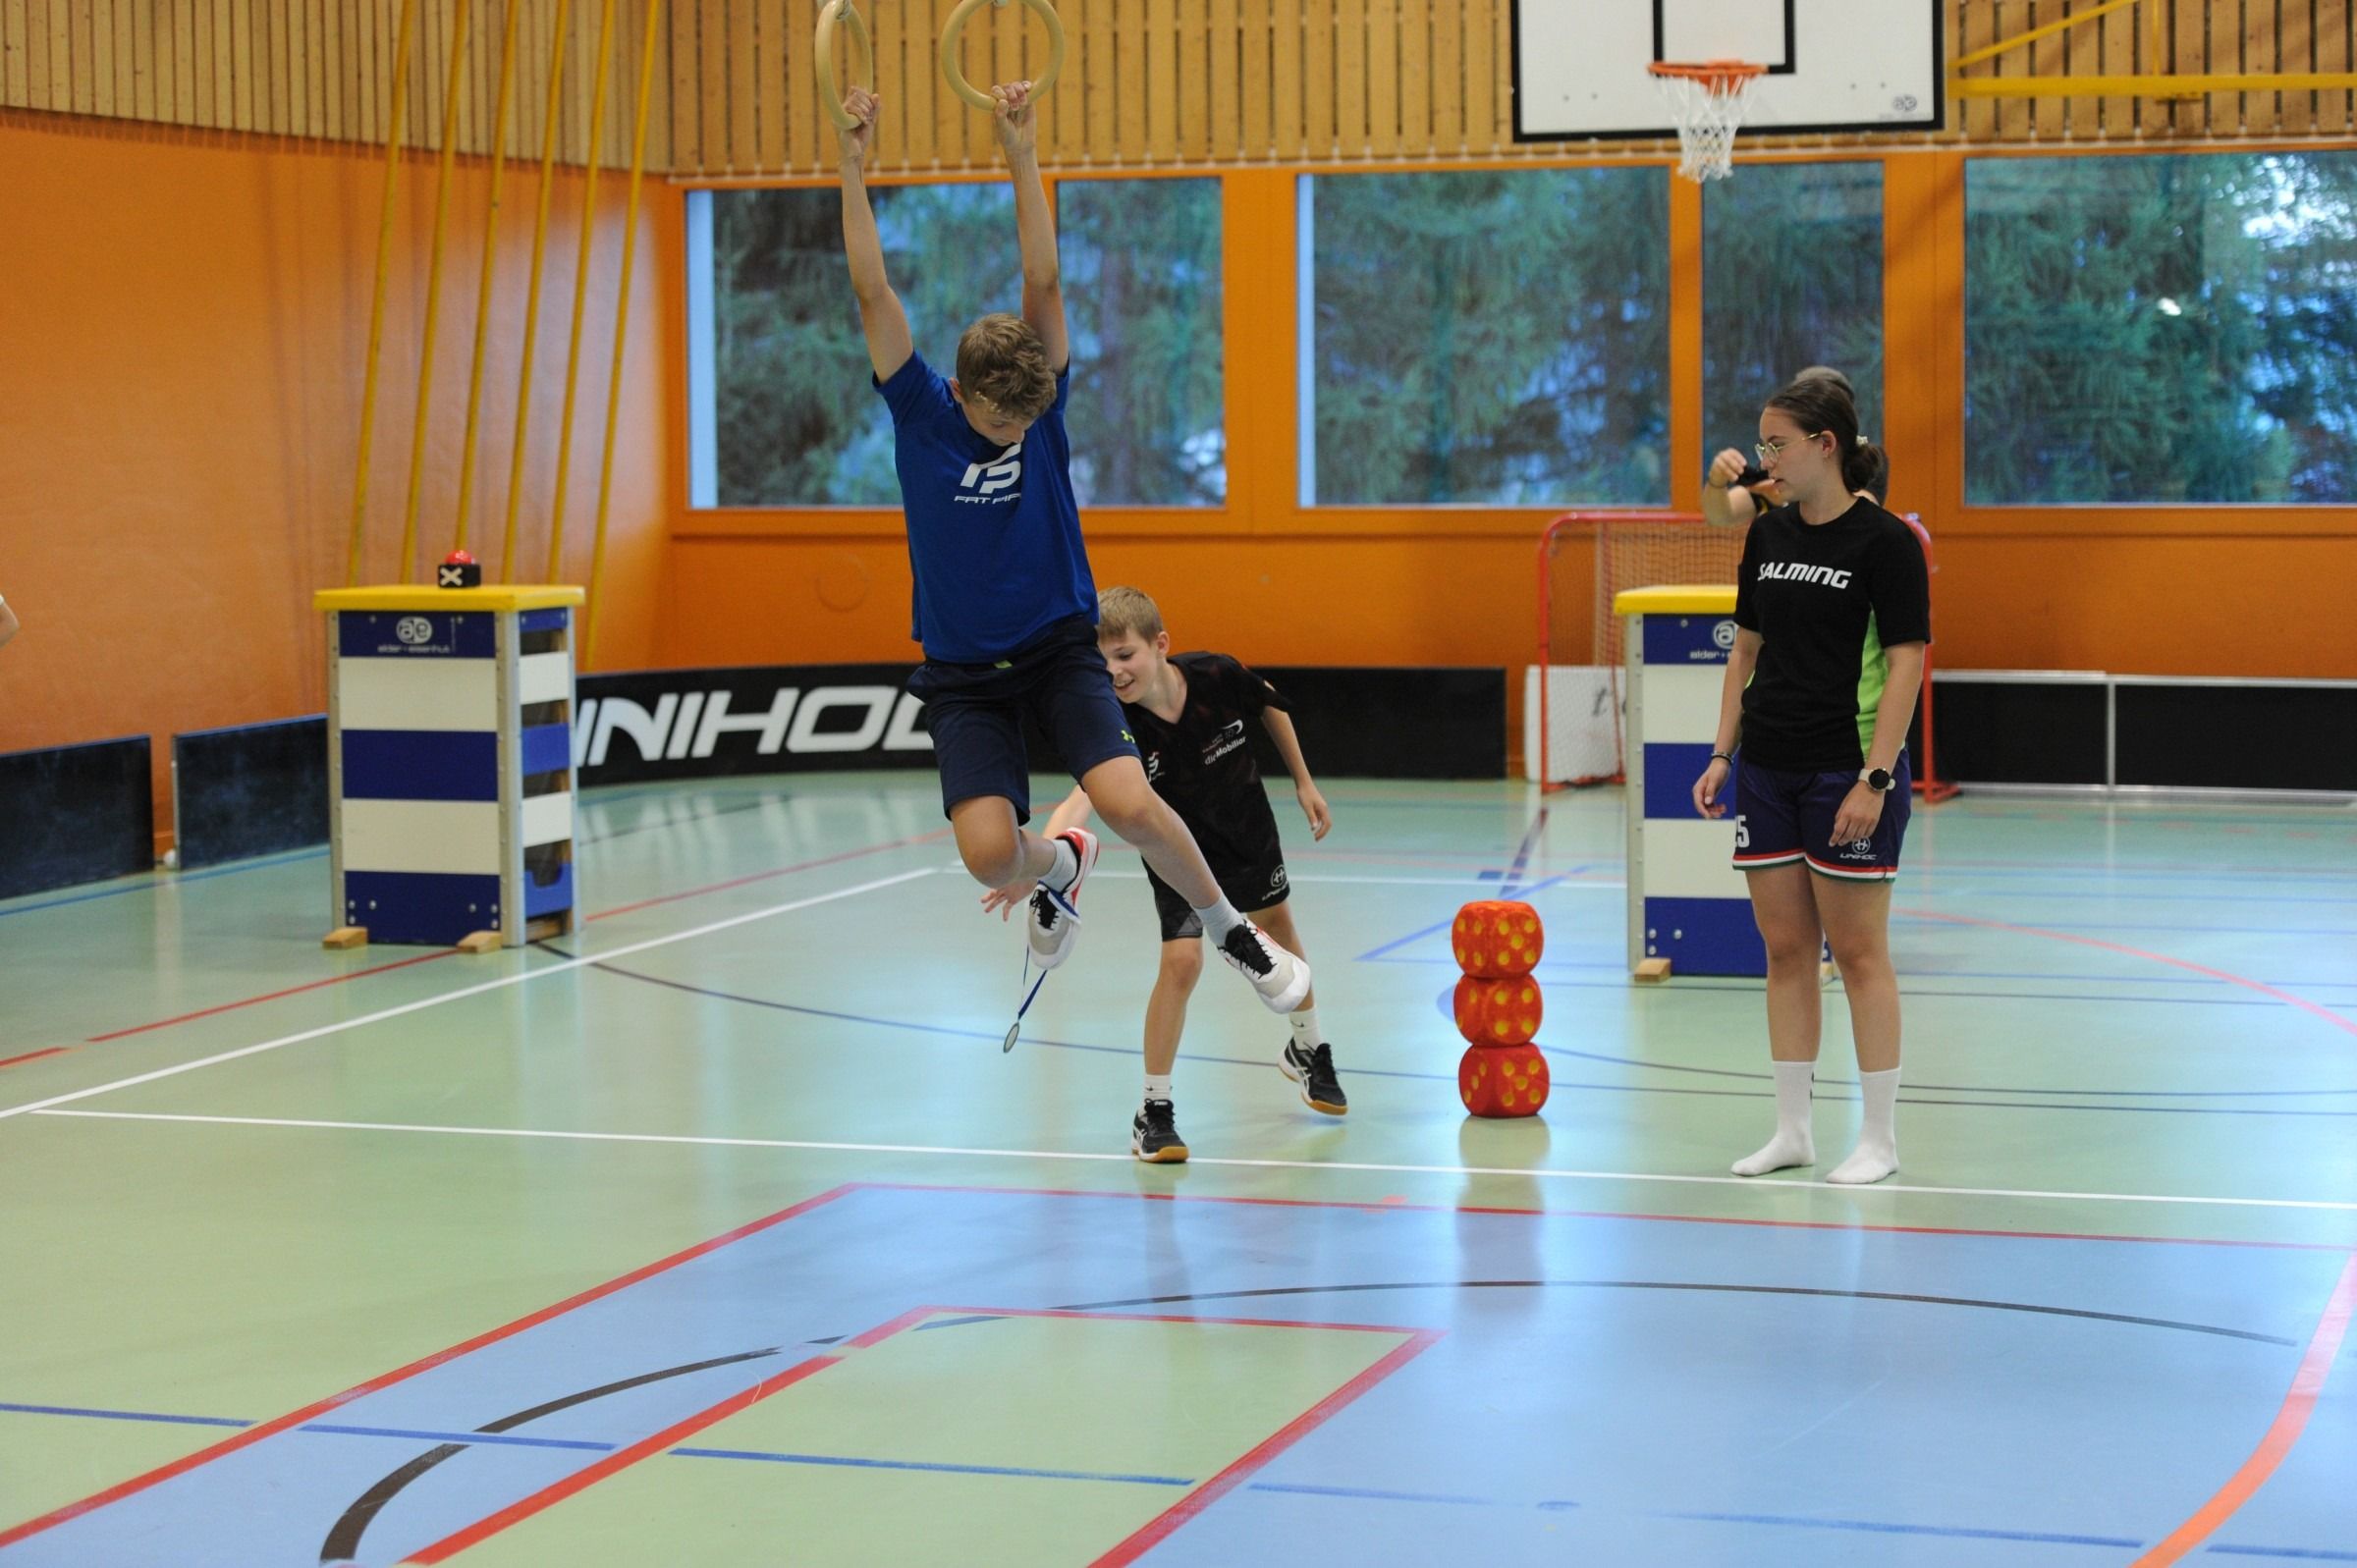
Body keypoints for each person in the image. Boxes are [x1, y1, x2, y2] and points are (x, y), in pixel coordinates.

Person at [835, 82, 1309, 1014]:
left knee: (1131, 802)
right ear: (963, 395)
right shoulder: (919, 412)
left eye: (1028, 421)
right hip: (964, 672)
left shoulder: (1040, 409)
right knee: (989, 854)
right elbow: (871, 287)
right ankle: (1060, 863)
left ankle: (1234, 932)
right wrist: (853, 162)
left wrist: (1022, 153)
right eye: (1001, 424)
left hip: (1057, 644)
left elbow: (1043, 282)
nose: (1018, 435)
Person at [986, 587, 1347, 1162]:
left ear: (1160, 644)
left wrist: (1304, 782)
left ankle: (1309, 1048)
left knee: (1278, 929)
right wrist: (1038, 866)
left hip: (1247, 830)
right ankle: (1153, 1111)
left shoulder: (1215, 675)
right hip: (1177, 856)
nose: (1114, 672)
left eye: (1125, 654)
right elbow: (1082, 799)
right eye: (1101, 662)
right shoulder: (1116, 725)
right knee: (1182, 963)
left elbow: (1270, 704)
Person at [1690, 375, 1930, 1185]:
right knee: (1786, 949)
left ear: (1825, 445)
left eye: (1778, 444)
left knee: (1859, 954)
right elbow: (1745, 651)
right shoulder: (1767, 535)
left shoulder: (1887, 543)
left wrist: (1875, 777)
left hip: (1846, 770)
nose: (1767, 459)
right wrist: (1722, 753)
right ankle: (1792, 1130)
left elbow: (1906, 666)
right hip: (1767, 768)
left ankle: (1879, 1140)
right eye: (1761, 444)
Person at [1701, 365, 1889, 526]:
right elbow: (1721, 516)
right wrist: (1717, 480)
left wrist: (1788, 499)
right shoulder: (1775, 462)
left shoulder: (1867, 458)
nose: (1768, 462)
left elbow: (1863, 513)